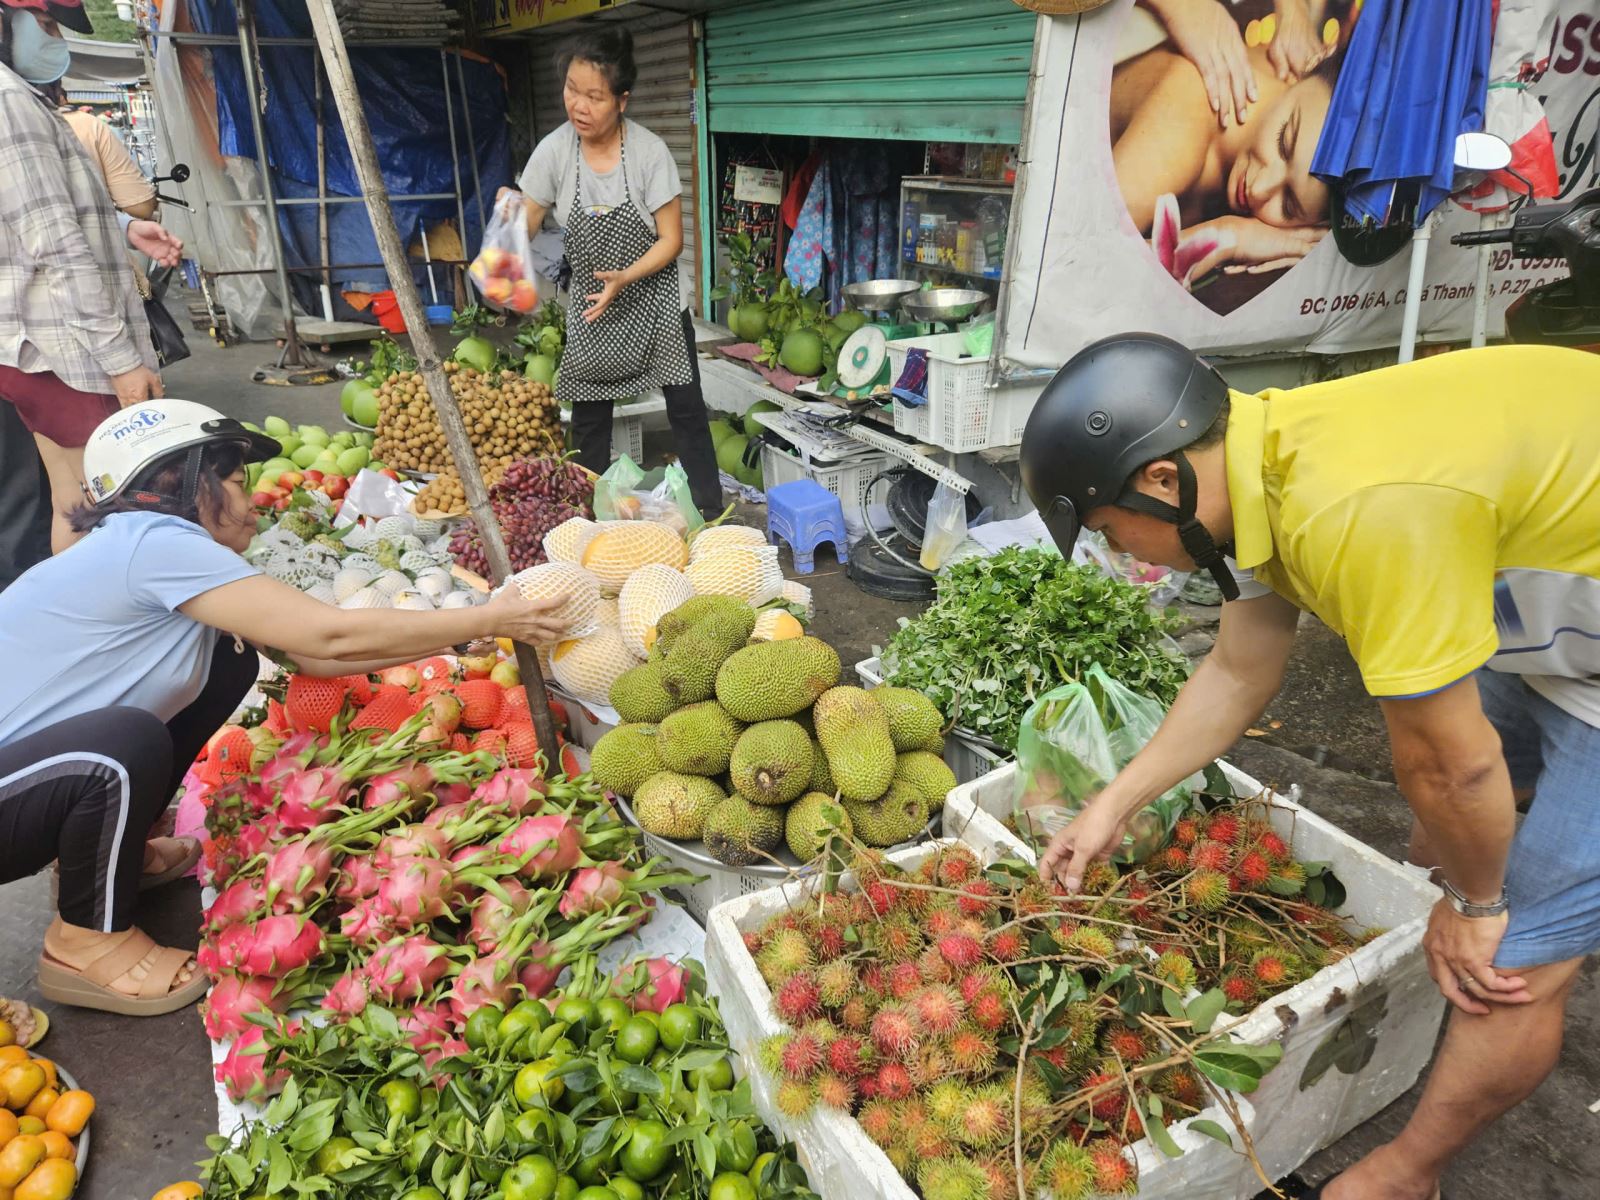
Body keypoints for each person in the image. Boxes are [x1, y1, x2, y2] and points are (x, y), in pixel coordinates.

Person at [1019, 334, 1600, 1200]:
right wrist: (1113, 802)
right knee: (1448, 845)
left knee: (1512, 961)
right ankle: (1435, 953)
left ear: (1162, 482)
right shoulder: (1260, 466)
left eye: (1109, 530)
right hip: (1542, 597)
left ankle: (1409, 1173)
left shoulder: (1353, 510)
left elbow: (1449, 769)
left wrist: (1480, 907)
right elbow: (1238, 670)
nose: (1127, 557)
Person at [0, 400, 572, 1016]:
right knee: (125, 740)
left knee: (230, 661)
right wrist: (489, 615)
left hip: (28, 783)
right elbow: (328, 635)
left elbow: (309, 657)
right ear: (185, 482)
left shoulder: (138, 548)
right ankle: (83, 943)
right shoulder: (155, 543)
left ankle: (111, 855)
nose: (253, 502)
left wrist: (456, 634)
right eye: (239, 484)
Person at [503, 26, 722, 517]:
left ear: (621, 100)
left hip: (657, 301)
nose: (578, 105)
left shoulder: (649, 154)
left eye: (594, 96)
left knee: (687, 409)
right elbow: (526, 226)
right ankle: (584, 519)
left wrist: (624, 276)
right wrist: (508, 216)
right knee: (588, 418)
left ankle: (710, 516)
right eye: (571, 90)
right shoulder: (554, 152)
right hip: (592, 302)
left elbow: (672, 240)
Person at [0, 0, 184, 555]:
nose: (56, 41)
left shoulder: (17, 97)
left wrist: (125, 227)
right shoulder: (9, 100)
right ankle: (104, 630)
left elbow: (36, 216)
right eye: (49, 25)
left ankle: (78, 627)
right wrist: (122, 361)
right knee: (105, 506)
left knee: (75, 506)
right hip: (66, 349)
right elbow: (53, 242)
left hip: (44, 344)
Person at [1111, 34, 1336, 282]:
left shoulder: (1300, 101)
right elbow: (1080, 257)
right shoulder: (1182, 122)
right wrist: (1229, 237)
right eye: (1283, 142)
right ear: (1314, 61)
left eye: (1288, 205)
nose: (1259, 190)